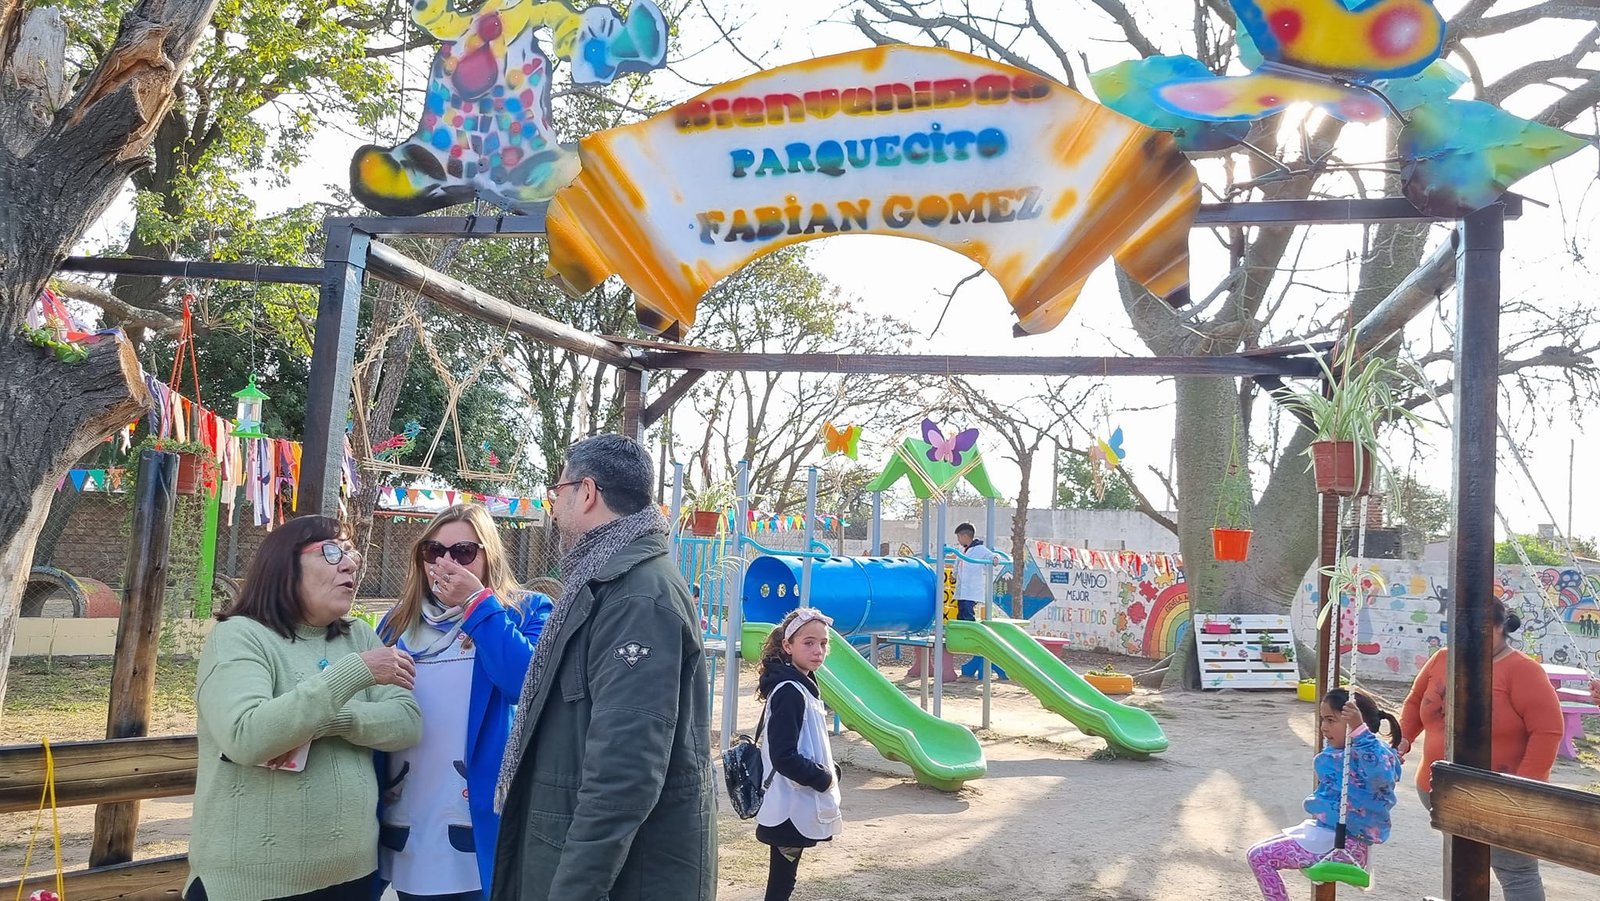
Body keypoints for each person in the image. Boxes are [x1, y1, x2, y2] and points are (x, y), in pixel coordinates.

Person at [491, 434, 716, 901]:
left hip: (627, 877)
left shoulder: (637, 596)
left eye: (558, 492)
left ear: (587, 492)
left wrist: (573, 890)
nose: (553, 509)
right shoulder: (605, 580)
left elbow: (625, 770)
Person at [188, 516, 422, 901]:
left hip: (355, 874)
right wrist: (355, 672)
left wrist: (331, 720)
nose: (349, 564)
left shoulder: (358, 634)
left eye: (351, 554)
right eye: (332, 552)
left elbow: (407, 723)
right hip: (254, 884)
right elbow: (246, 736)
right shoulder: (240, 636)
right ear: (284, 565)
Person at [376, 504, 555, 900]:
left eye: (462, 552)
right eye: (433, 551)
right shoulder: (396, 623)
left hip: (479, 818)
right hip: (407, 814)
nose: (445, 562)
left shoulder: (527, 612)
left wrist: (477, 604)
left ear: (488, 556)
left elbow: (525, 686)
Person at [1401, 598, 1563, 901]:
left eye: (1479, 628)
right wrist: (1402, 740)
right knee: (1463, 862)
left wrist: (1523, 789)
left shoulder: (1523, 671)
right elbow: (1414, 703)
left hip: (1503, 796)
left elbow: (1547, 732)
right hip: (1439, 789)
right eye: (1460, 629)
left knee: (1515, 871)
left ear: (1501, 627)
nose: (1468, 636)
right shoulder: (1442, 658)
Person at [1245, 688, 1402, 901]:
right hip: (1327, 833)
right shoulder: (1346, 750)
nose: (1323, 727)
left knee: (1260, 857)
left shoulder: (1371, 753)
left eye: (1331, 720)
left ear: (1357, 723)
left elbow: (1382, 777)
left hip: (1346, 844)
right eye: (1322, 719)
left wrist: (1360, 732)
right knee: (1255, 851)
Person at [754, 608, 844, 901]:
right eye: (808, 642)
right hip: (789, 804)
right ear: (787, 645)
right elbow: (783, 755)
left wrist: (830, 769)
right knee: (781, 881)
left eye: (823, 643)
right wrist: (822, 777)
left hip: (793, 801)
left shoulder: (803, 684)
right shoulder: (790, 690)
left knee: (783, 878)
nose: (818, 650)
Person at [953, 523, 1003, 680]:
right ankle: (965, 634)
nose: (959, 540)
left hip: (972, 590)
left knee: (967, 610)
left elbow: (992, 555)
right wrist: (954, 574)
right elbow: (957, 565)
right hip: (962, 590)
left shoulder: (980, 549)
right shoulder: (962, 551)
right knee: (961, 610)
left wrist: (995, 559)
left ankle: (972, 633)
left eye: (959, 537)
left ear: (965, 536)